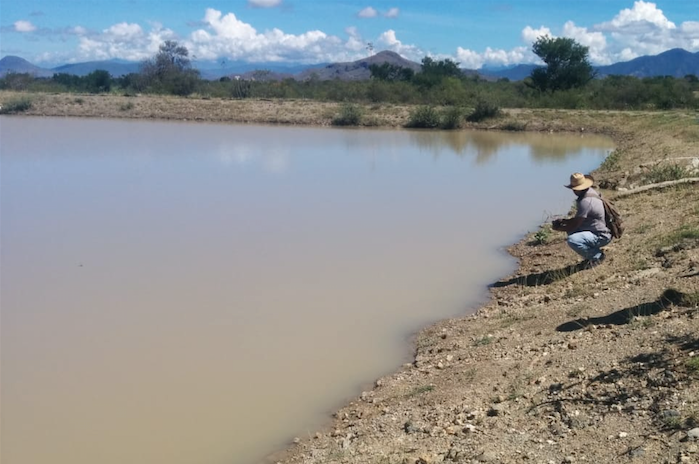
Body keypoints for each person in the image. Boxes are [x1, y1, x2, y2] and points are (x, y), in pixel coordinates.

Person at [552, 172, 612, 267]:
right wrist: (565, 221)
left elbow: (575, 225)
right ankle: (592, 253)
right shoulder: (591, 192)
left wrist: (559, 228)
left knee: (573, 239)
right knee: (572, 232)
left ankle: (597, 256)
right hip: (603, 230)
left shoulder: (585, 202)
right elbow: (578, 220)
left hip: (601, 235)